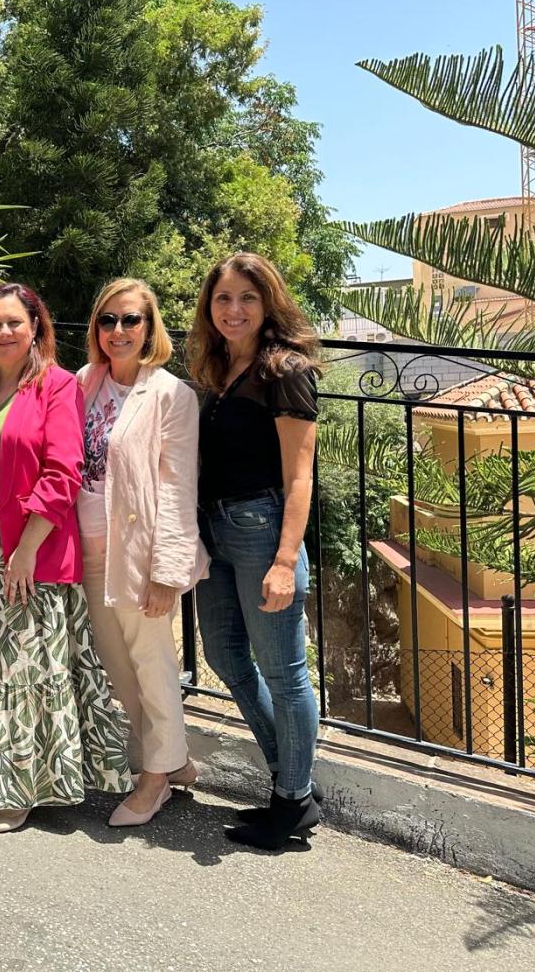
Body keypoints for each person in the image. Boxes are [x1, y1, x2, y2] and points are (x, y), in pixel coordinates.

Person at [0, 283, 131, 833]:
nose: (4, 332)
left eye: (14, 323)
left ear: (35, 328)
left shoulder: (56, 385)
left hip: (33, 541)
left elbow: (62, 472)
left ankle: (20, 787)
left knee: (24, 666)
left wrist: (24, 551)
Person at [188, 251, 322, 850]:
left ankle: (291, 800)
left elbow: (300, 477)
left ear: (268, 302)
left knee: (285, 673)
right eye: (223, 299)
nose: (234, 309)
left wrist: (286, 561)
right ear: (209, 308)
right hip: (214, 531)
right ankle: (291, 782)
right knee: (223, 655)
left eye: (246, 297)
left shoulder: (283, 370)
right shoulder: (219, 369)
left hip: (261, 530)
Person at [76, 277, 208, 827]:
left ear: (151, 327)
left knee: (152, 664)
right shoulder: (85, 382)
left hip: (139, 548)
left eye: (131, 320)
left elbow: (179, 488)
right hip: (84, 546)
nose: (119, 330)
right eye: (108, 320)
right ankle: (172, 762)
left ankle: (155, 779)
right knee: (118, 664)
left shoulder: (171, 395)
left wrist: (168, 571)